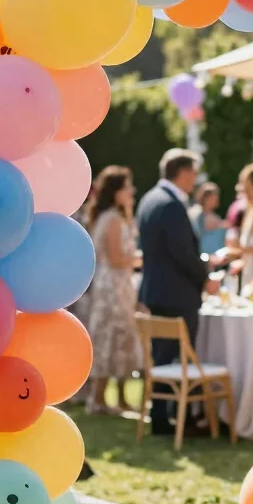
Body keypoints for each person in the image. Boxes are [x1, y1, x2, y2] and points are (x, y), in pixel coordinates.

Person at [137, 149, 217, 435]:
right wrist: (205, 277)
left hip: (157, 291)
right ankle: (179, 418)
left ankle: (161, 416)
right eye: (193, 173)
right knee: (180, 357)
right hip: (177, 294)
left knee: (162, 357)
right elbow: (181, 252)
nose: (195, 179)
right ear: (182, 173)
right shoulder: (171, 204)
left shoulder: (149, 199)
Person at [86, 166, 140, 415]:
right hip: (113, 286)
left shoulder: (111, 217)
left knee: (120, 337)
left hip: (116, 284)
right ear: (116, 191)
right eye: (127, 187)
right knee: (109, 337)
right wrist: (139, 260)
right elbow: (117, 259)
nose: (131, 192)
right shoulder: (112, 220)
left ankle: (119, 397)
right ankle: (98, 399)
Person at [189, 182, 226, 256]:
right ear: (205, 198)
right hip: (202, 256)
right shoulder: (196, 213)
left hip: (217, 256)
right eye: (213, 198)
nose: (215, 200)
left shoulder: (215, 216)